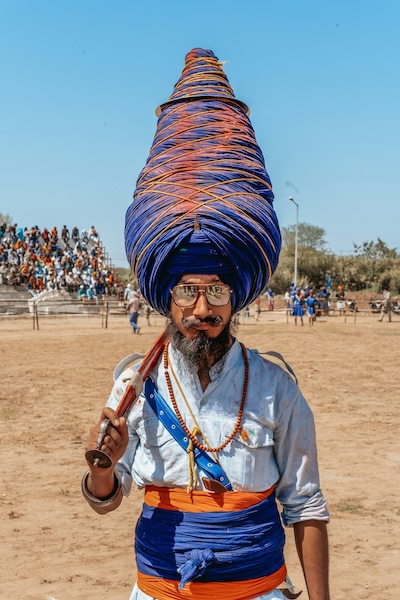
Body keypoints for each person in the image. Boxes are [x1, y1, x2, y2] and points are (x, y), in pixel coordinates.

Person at [82, 47, 330, 600]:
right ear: (165, 296)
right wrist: (103, 466)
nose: (202, 310)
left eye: (216, 292)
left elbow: (307, 506)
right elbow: (106, 496)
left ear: (235, 295)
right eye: (188, 292)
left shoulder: (276, 389)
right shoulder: (133, 386)